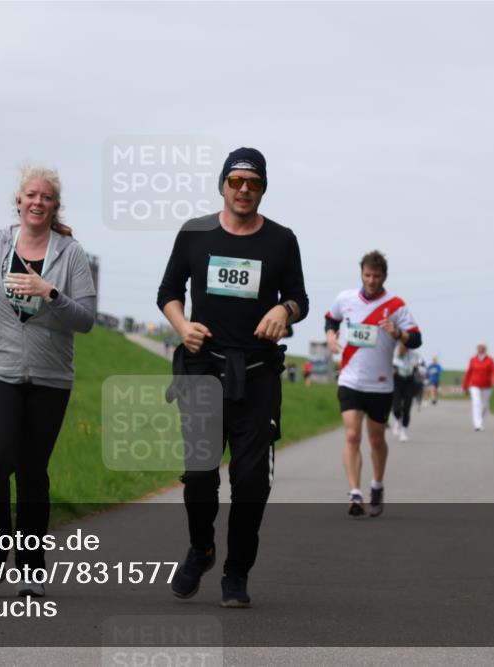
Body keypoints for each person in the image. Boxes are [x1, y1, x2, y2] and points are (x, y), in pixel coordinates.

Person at [157, 147, 309, 608]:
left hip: (257, 376)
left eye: (253, 183)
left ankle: (236, 572)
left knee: (251, 483)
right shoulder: (195, 233)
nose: (244, 189)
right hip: (203, 370)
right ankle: (201, 548)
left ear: (263, 189)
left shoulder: (281, 240)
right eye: (236, 181)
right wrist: (183, 326)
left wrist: (284, 310)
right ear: (222, 185)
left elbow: (300, 298)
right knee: (200, 476)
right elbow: (168, 291)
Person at [0, 165, 97, 597]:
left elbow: (86, 319)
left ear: (55, 206)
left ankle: (31, 570)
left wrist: (48, 292)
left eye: (47, 197)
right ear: (18, 201)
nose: (38, 202)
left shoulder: (70, 254)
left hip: (49, 377)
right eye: (31, 195)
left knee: (33, 471)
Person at [325, 251, 422, 517]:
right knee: (352, 435)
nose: (371, 281)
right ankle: (355, 493)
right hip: (350, 379)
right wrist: (331, 335)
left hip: (380, 384)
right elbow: (331, 318)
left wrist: (398, 333)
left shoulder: (396, 305)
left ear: (384, 277)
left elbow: (416, 339)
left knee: (376, 439)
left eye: (376, 276)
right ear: (361, 274)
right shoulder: (345, 299)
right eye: (367, 275)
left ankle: (377, 485)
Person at [462, 343, 494, 431]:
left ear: (485, 349)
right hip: (475, 385)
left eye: (482, 348)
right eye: (479, 348)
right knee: (476, 403)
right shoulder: (473, 359)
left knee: (485, 406)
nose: (481, 349)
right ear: (477, 349)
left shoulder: (490, 360)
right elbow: (469, 373)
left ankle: (480, 421)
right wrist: (465, 385)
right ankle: (477, 424)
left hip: (487, 386)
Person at [391, 344, 421, 442]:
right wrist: (392, 369)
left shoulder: (414, 355)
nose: (401, 349)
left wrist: (417, 368)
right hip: (397, 381)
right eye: (400, 347)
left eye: (403, 347)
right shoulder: (394, 353)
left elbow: (421, 368)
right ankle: (398, 419)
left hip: (409, 381)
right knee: (396, 408)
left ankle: (404, 430)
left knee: (407, 407)